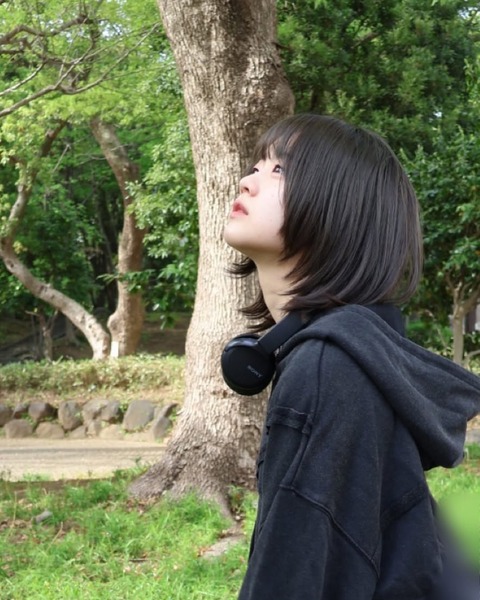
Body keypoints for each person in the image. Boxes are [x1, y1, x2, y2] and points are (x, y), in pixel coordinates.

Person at [221, 114, 480, 599]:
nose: (248, 181)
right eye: (256, 166)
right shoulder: (354, 353)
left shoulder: (327, 367)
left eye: (280, 170)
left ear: (339, 209)